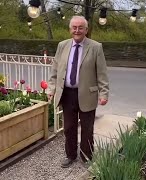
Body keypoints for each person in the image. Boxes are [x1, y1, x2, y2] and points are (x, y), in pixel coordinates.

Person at [47, 16, 109, 168]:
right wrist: (51, 89)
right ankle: (70, 155)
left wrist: (104, 93)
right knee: (69, 128)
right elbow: (55, 70)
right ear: (70, 29)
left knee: (87, 128)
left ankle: (87, 157)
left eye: (80, 27)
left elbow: (102, 73)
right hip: (67, 94)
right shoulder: (62, 46)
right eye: (74, 27)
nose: (77, 30)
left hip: (87, 94)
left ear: (86, 30)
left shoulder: (95, 47)